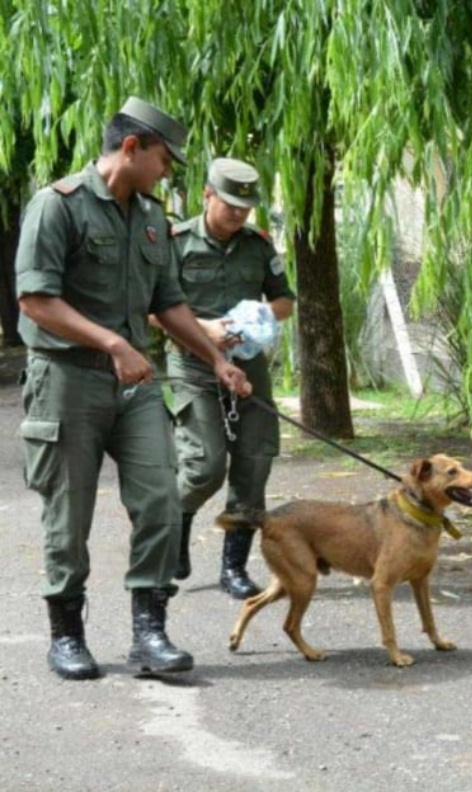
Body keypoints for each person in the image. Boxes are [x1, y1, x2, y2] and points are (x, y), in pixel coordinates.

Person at [15, 97, 252, 681]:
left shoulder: (149, 216)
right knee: (69, 514)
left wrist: (215, 358)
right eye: (164, 159)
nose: (169, 171)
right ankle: (67, 635)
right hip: (66, 379)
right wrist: (113, 344)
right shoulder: (57, 207)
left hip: (135, 385)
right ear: (130, 148)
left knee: (160, 501)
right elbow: (36, 301)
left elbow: (167, 302)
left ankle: (150, 633)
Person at [164, 157, 295, 599]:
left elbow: (283, 302)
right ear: (207, 195)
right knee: (204, 466)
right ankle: (173, 538)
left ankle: (233, 568)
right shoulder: (175, 242)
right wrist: (208, 330)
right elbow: (150, 307)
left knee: (254, 462)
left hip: (246, 365)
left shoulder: (258, 245)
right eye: (230, 204)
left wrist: (252, 319)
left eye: (245, 207)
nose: (238, 214)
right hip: (192, 365)